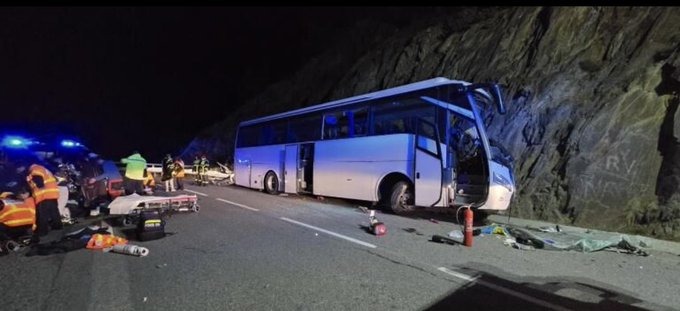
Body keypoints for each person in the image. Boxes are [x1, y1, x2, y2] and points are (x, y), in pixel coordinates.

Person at [23, 163, 62, 238]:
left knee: (42, 215)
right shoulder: (43, 169)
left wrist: (37, 187)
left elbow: (39, 181)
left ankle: (42, 232)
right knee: (54, 212)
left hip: (43, 195)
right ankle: (58, 226)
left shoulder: (35, 169)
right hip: (52, 193)